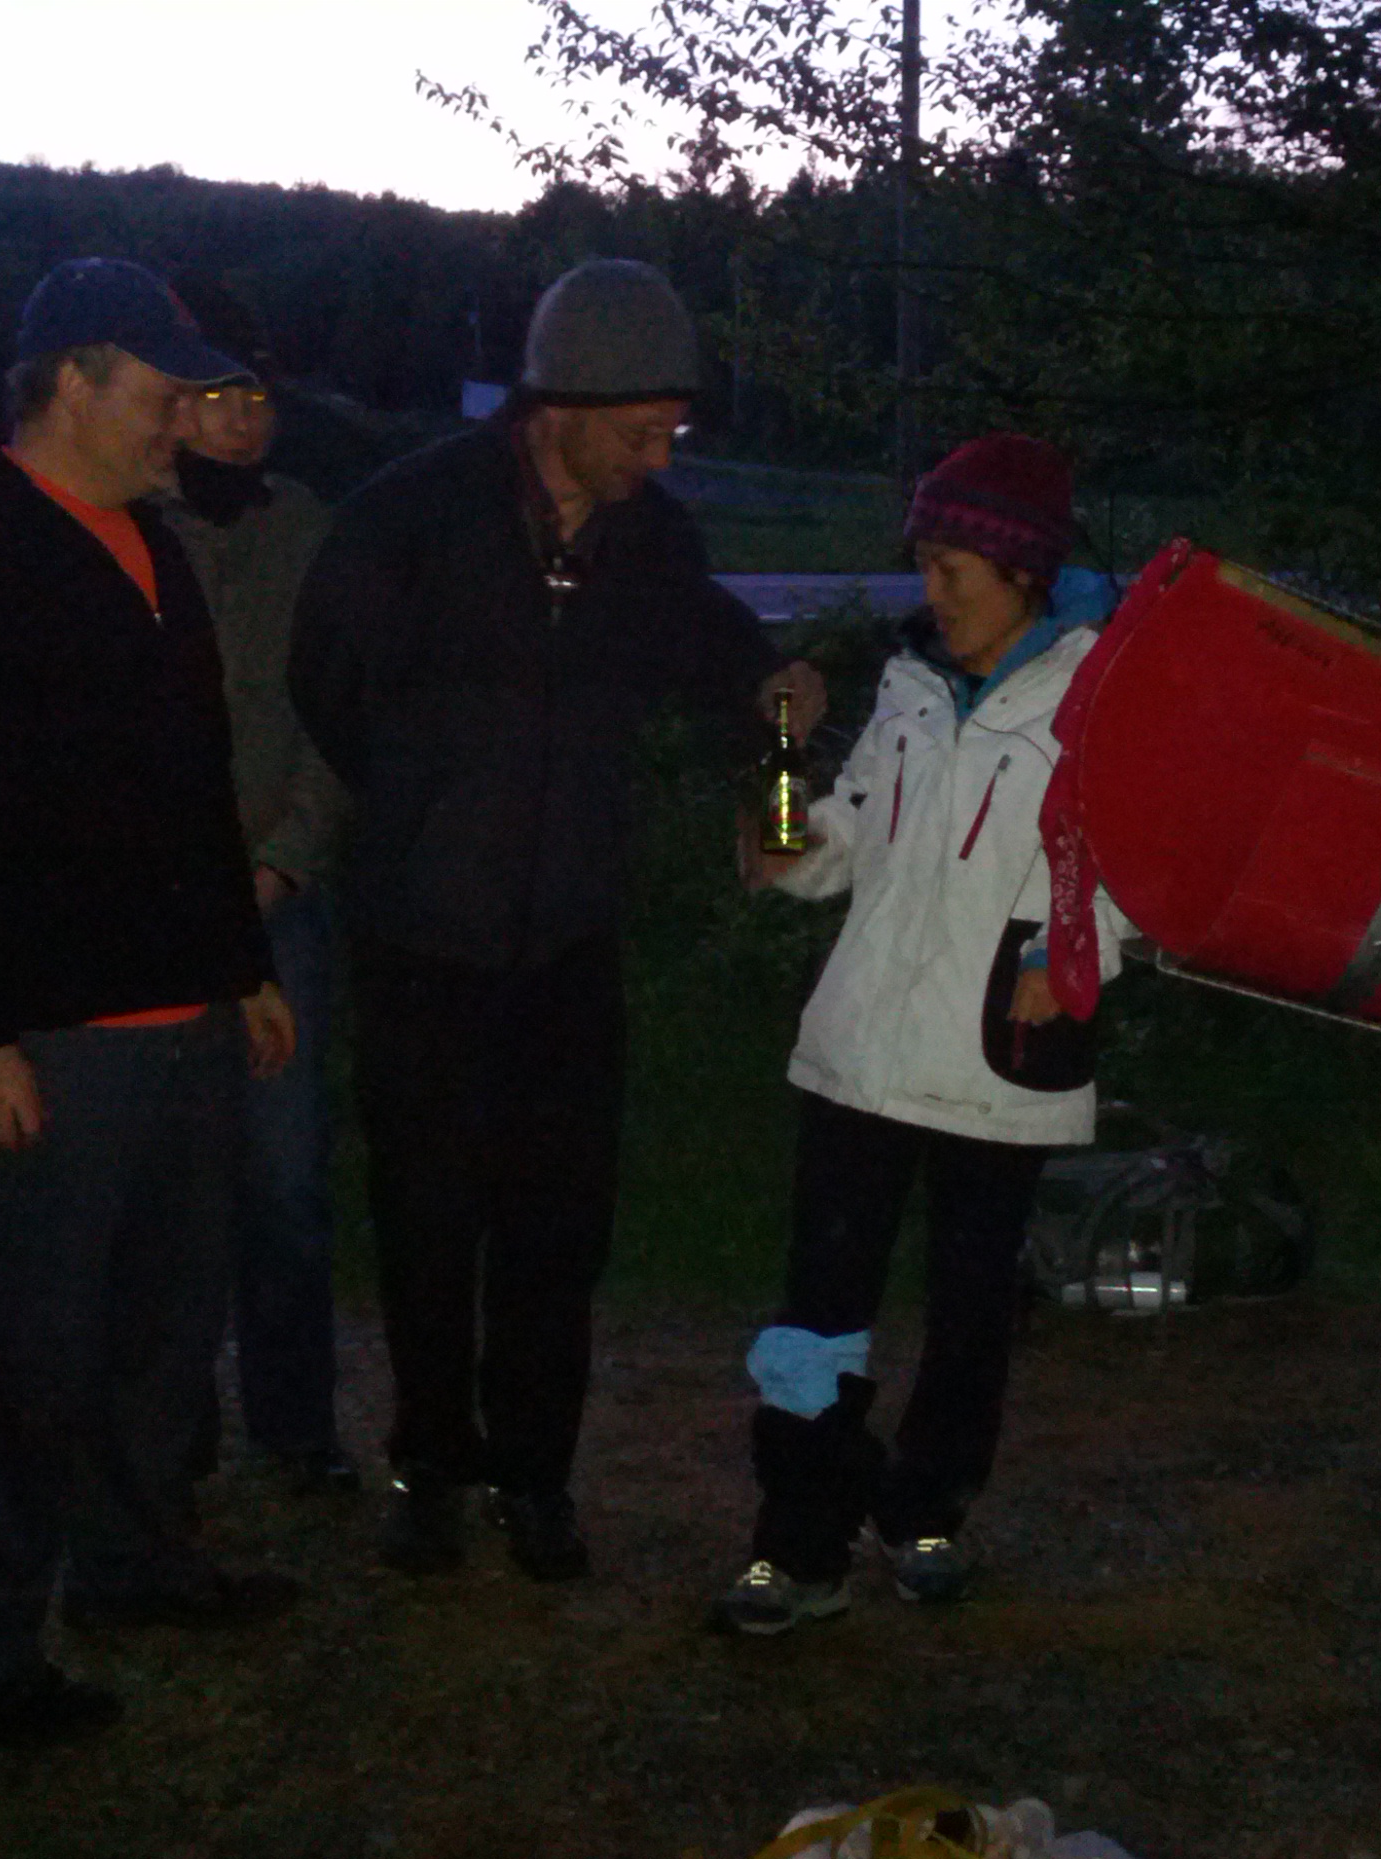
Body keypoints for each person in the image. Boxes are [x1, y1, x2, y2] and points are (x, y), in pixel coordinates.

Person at [289, 258, 826, 1582]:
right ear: (562, 406)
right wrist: (428, 817)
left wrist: (779, 735)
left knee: (556, 1228)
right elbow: (328, 688)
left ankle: (536, 1477)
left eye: (672, 431)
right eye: (642, 430)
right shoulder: (410, 519)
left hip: (571, 948)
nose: (661, 456)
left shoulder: (651, 543)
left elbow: (738, 685)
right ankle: (431, 1466)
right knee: (427, 1222)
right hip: (422, 945)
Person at [0, 258, 302, 1746]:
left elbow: (192, 791)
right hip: (36, 1039)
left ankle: (134, 1565)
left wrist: (241, 967)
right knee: (9, 1362)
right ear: (73, 382)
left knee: (155, 1342)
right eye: (163, 394)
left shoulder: (154, 551)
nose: (184, 421)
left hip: (181, 1027)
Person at [710, 433, 1133, 1637]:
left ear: (1023, 569)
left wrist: (1074, 955)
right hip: (860, 1057)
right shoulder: (907, 685)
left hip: (999, 1064)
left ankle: (927, 1511)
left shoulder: (1103, 695)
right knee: (815, 1316)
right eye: (925, 566)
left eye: (953, 569)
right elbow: (836, 840)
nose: (931, 591)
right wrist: (783, 775)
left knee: (971, 1318)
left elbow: (1139, 862)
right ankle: (797, 1544)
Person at [157, 292, 356, 1498]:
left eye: (259, 398)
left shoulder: (306, 528)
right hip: (151, 917)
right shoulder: (129, 527)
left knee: (285, 1181)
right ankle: (164, 1433)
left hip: (283, 905)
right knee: (165, 1187)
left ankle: (295, 1426)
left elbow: (340, 711)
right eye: (218, 395)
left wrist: (287, 859)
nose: (242, 420)